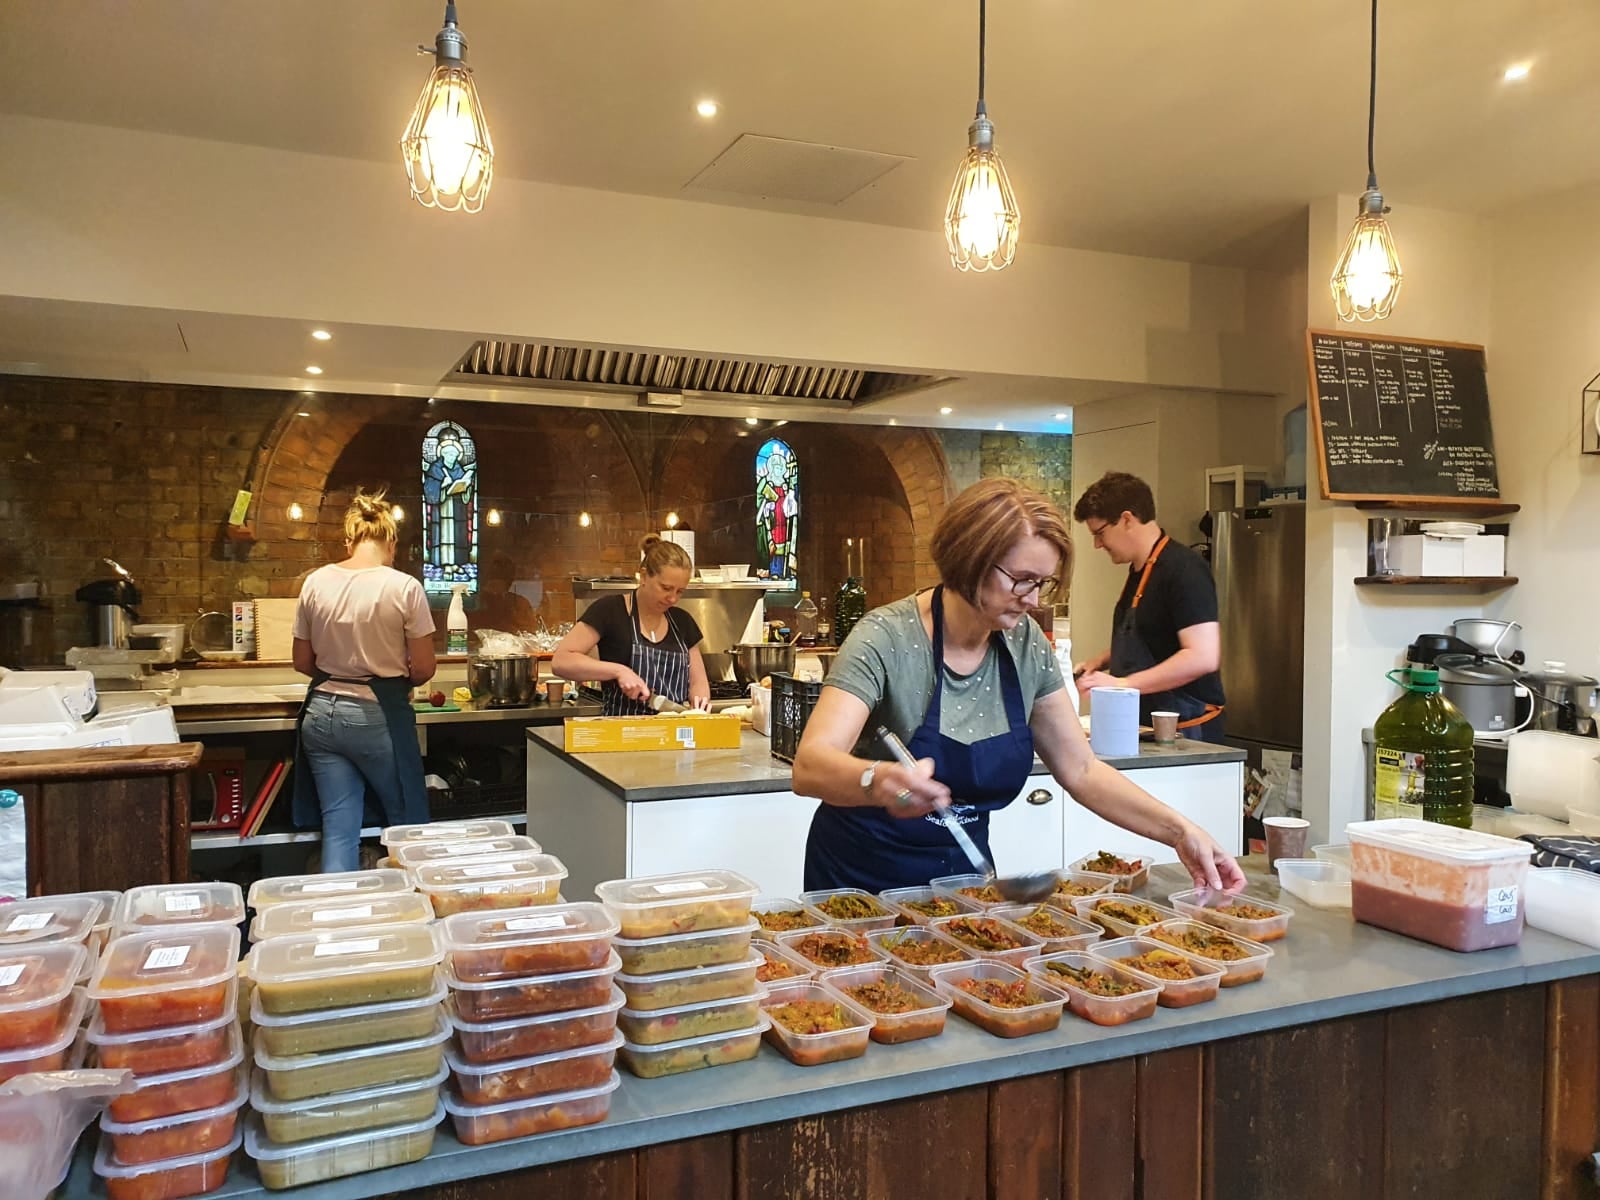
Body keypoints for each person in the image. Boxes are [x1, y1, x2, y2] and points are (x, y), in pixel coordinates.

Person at [791, 477, 1244, 894]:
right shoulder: (886, 637)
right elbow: (810, 766)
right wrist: (877, 778)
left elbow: (1082, 770)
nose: (1032, 600)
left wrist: (1180, 831)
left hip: (965, 888)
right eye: (1021, 581)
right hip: (857, 890)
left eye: (1042, 584)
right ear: (969, 560)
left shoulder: (1025, 644)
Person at [291, 489, 437, 872]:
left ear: (350, 540)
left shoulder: (316, 582)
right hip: (376, 717)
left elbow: (302, 661)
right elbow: (424, 668)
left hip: (320, 713)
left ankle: (338, 923)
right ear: (390, 541)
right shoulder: (403, 587)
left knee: (339, 828)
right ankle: (412, 917)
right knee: (406, 826)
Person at [1071, 471, 1227, 743]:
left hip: (1188, 732)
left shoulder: (1184, 569)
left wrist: (1123, 685)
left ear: (1127, 519)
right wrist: (1102, 661)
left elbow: (1203, 656)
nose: (1097, 544)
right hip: (1149, 726)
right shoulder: (1138, 571)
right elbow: (1151, 634)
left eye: (1100, 533)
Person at [552, 535, 711, 715]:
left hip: (674, 735)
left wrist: (700, 708)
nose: (673, 598)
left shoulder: (683, 622)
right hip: (623, 735)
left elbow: (698, 682)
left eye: (680, 591)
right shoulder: (610, 610)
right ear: (644, 576)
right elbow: (561, 661)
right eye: (666, 588)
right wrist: (618, 671)